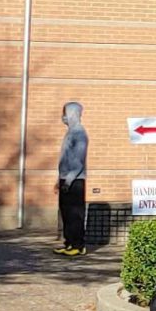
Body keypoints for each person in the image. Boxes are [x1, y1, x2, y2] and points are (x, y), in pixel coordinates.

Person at [56, 100, 90, 257]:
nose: (63, 116)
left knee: (75, 213)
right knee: (66, 213)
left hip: (75, 180)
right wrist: (60, 180)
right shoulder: (70, 133)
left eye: (65, 113)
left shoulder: (79, 134)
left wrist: (68, 180)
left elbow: (78, 161)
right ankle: (69, 243)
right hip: (66, 178)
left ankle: (78, 244)